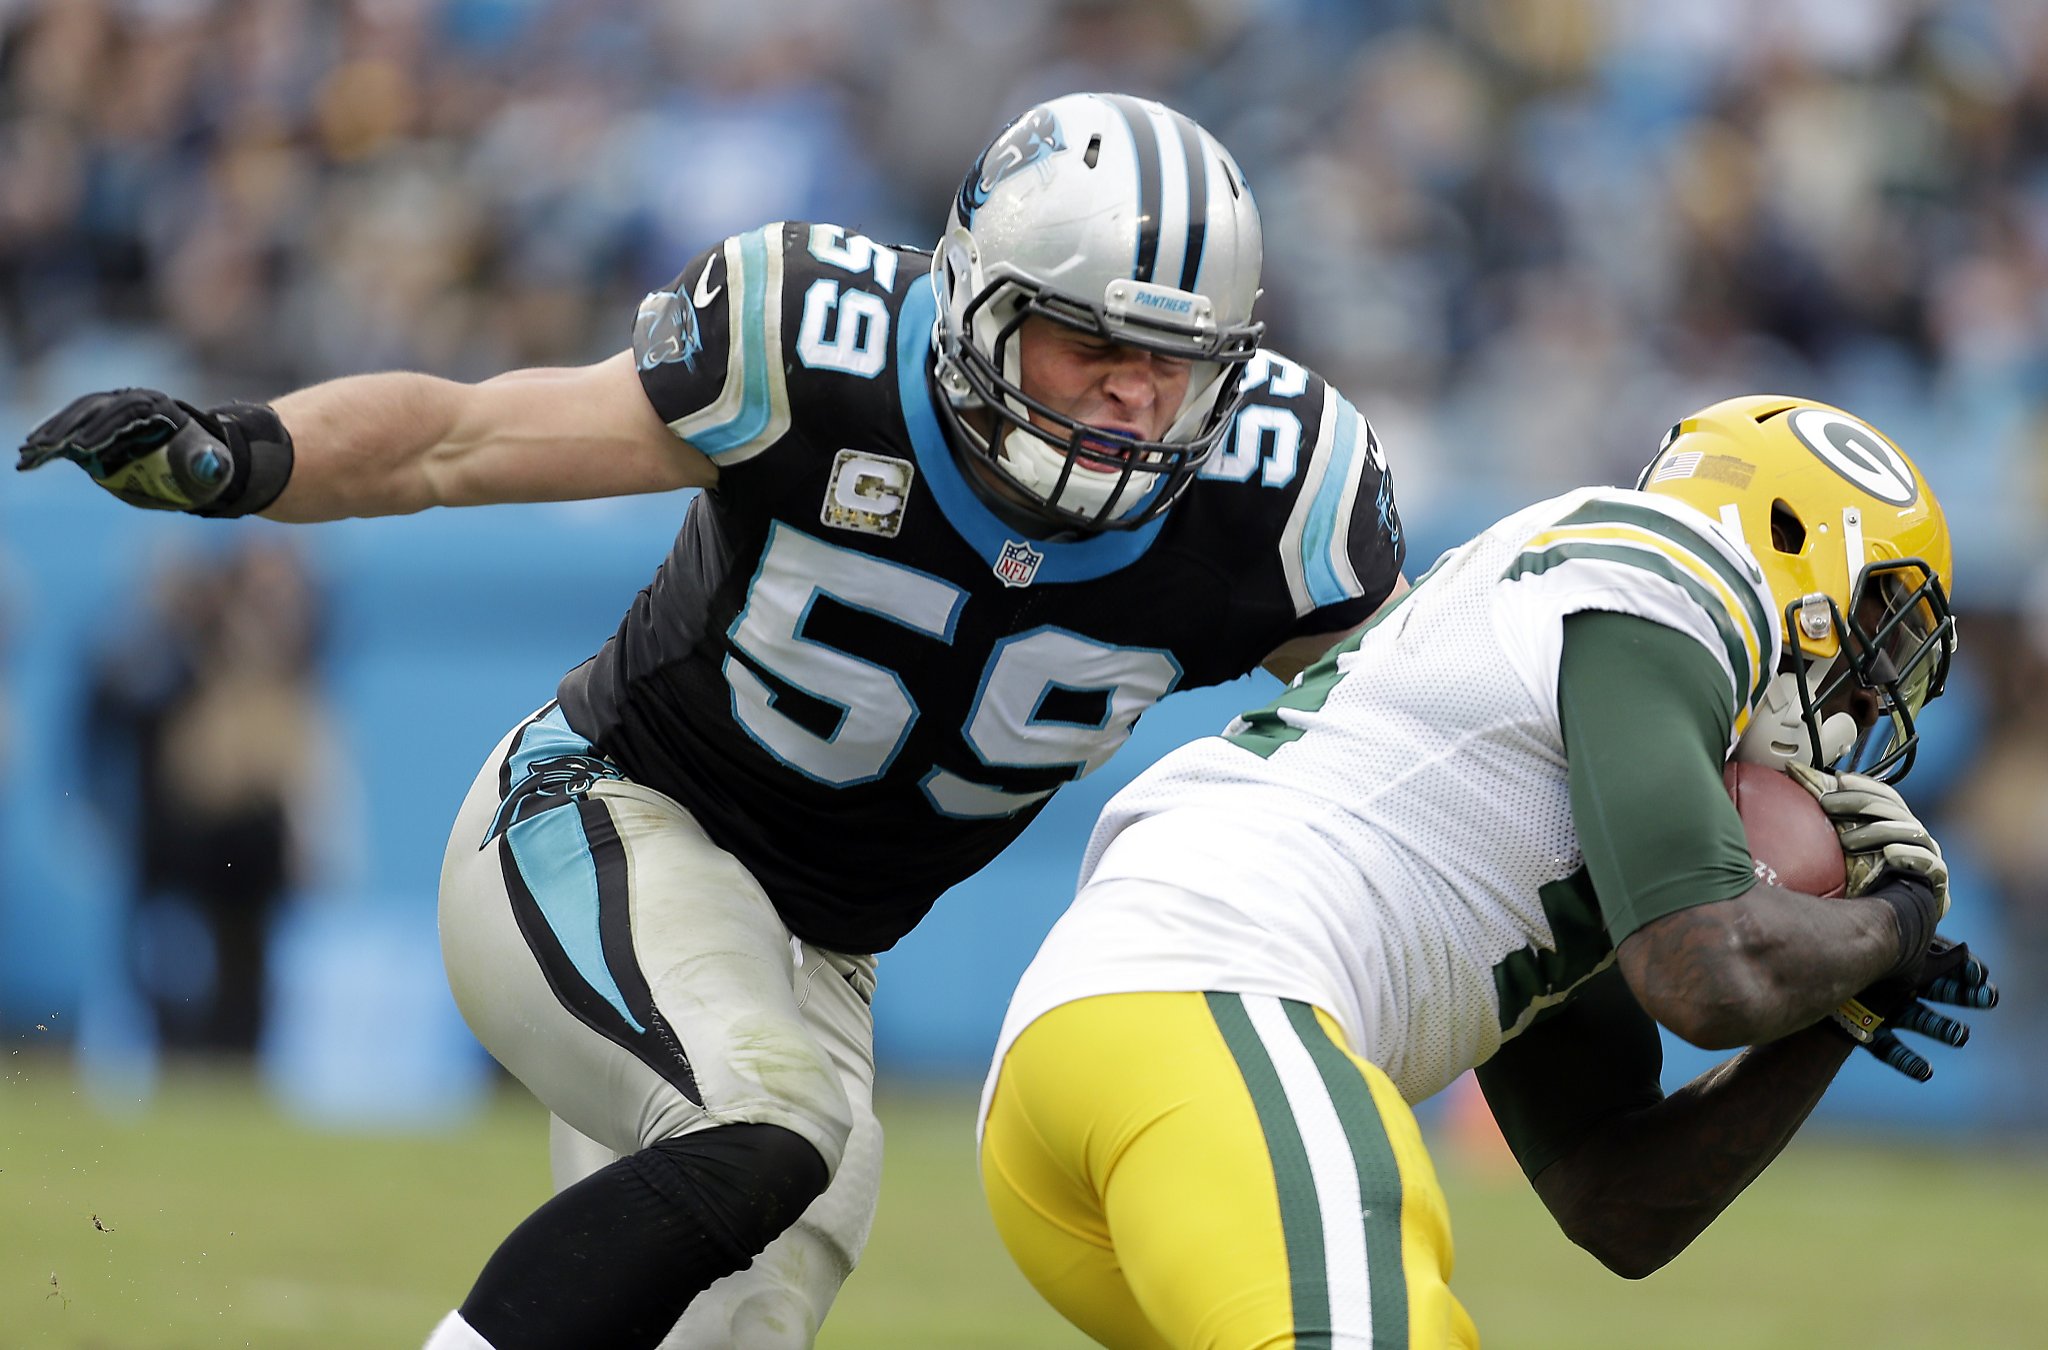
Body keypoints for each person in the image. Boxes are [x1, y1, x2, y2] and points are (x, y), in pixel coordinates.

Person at [15, 92, 1409, 1350]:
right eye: (1091, 341)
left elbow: (1433, 729)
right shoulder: (823, 348)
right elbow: (464, 437)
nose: (1135, 396)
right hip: (600, 819)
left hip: (815, 964)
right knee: (773, 1124)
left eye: (1176, 360)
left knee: (744, 1291)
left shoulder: (1278, 505)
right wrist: (239, 453)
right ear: (981, 303)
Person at [978, 394, 2000, 1349]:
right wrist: (1894, 925)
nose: (1869, 704)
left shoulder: (1546, 742)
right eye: (1879, 639)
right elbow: (1703, 973)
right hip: (1204, 1007)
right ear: (1798, 550)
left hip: (1120, 1078)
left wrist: (1839, 1009)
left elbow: (1614, 1198)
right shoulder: (1675, 567)